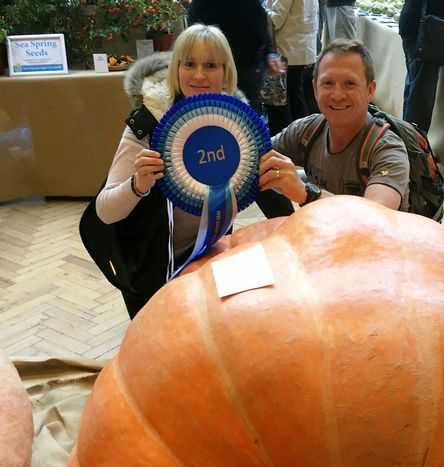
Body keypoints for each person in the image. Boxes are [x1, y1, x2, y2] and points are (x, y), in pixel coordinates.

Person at [81, 24, 292, 319]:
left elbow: (268, 191)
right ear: (176, 69)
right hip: (149, 266)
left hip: (209, 255)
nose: (199, 75)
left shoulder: (239, 126)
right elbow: (105, 212)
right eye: (189, 64)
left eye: (210, 65)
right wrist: (137, 185)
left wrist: (296, 234)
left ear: (226, 72)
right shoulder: (149, 124)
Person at [258, 39, 410, 212]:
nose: (337, 95)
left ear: (370, 90)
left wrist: (306, 193)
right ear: (315, 89)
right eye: (328, 83)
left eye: (350, 84)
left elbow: (373, 219)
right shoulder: (306, 131)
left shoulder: (387, 150)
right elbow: (252, 161)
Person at [186, 0, 282, 114]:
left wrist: (269, 51)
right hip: (214, 60)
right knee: (210, 110)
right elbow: (195, 19)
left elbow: (259, 18)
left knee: (247, 115)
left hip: (247, 62)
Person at [399, 0, 444, 133]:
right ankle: (414, 147)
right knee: (420, 98)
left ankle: (407, 140)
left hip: (421, 24)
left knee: (415, 89)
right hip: (429, 28)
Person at [265, 0, 319, 125]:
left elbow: (275, 20)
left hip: (289, 50)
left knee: (286, 102)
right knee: (297, 97)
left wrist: (259, 10)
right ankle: (303, 135)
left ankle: (293, 137)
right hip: (303, 49)